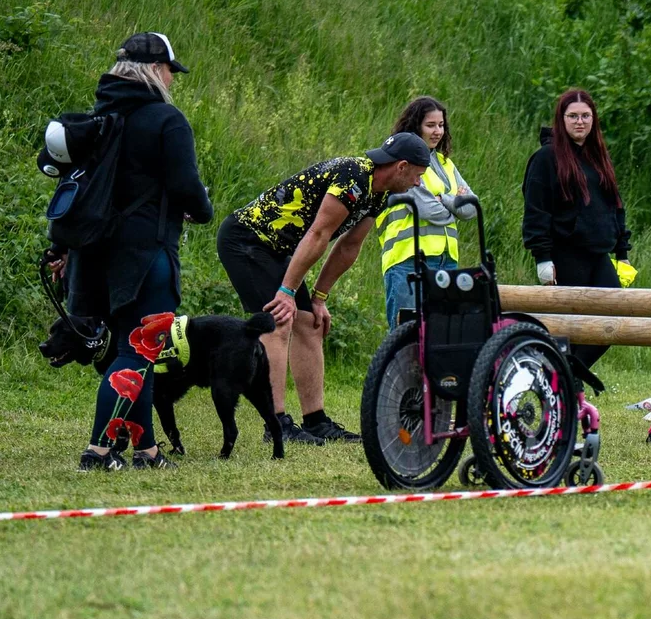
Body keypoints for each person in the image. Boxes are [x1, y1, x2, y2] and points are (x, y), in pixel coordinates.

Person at [48, 32, 213, 471]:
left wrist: (58, 248)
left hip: (91, 255)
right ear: (157, 72)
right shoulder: (166, 120)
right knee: (137, 353)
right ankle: (98, 452)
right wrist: (204, 208)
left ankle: (147, 451)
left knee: (127, 351)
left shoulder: (99, 120)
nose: (173, 81)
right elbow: (185, 187)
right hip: (146, 256)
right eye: (170, 72)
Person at [217, 132, 429, 443]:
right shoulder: (353, 175)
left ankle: (315, 421)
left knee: (311, 324)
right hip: (247, 240)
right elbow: (318, 234)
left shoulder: (378, 193)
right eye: (418, 176)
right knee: (278, 321)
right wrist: (287, 292)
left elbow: (348, 246)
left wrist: (318, 297)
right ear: (402, 166)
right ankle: (276, 425)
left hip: (277, 250)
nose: (419, 184)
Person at [521, 88, 631, 367]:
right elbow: (536, 210)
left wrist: (622, 252)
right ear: (562, 119)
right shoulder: (545, 158)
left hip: (599, 254)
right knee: (571, 327)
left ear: (593, 120)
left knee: (614, 320)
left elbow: (615, 207)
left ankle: (566, 377)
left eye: (585, 116)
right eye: (573, 116)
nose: (579, 122)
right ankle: (561, 381)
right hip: (564, 253)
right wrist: (542, 258)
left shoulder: (598, 157)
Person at [376, 96, 478, 330]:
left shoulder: (445, 163)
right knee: (406, 337)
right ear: (415, 126)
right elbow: (432, 212)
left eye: (441, 125)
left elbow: (472, 208)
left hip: (446, 261)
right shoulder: (403, 162)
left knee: (442, 334)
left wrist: (443, 199)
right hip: (407, 260)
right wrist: (455, 203)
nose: (438, 131)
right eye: (430, 125)